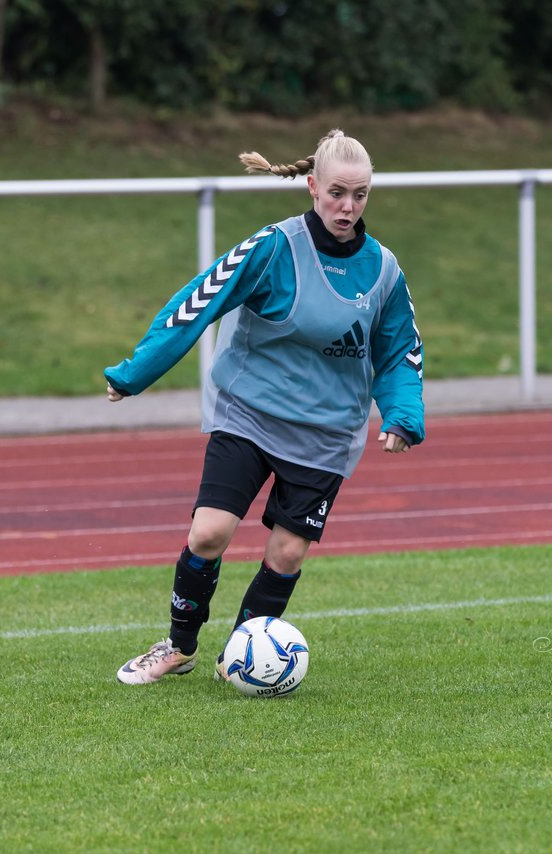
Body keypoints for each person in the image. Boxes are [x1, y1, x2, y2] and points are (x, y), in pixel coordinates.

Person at [105, 129, 425, 685]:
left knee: (287, 553)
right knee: (208, 533)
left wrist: (402, 414)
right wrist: (137, 373)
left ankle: (243, 656)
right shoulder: (273, 248)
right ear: (311, 187)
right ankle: (178, 647)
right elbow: (198, 302)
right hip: (248, 413)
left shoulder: (384, 270)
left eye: (361, 195)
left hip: (327, 433)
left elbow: (400, 350)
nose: (348, 207)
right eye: (336, 193)